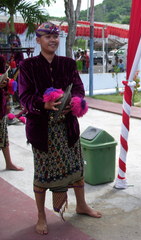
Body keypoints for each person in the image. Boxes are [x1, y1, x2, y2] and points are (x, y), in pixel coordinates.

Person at [18, 22, 101, 235]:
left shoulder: (68, 64)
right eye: (47, 36)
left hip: (68, 128)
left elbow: (79, 90)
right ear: (38, 40)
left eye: (55, 36)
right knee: (43, 175)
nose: (53, 40)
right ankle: (41, 216)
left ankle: (81, 205)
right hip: (42, 132)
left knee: (77, 170)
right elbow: (24, 97)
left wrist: (74, 102)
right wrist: (43, 104)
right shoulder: (28, 66)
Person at [0, 55, 24, 171]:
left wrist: (6, 82)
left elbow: (5, 78)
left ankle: (9, 163)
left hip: (0, 105)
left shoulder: (1, 58)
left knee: (3, 135)